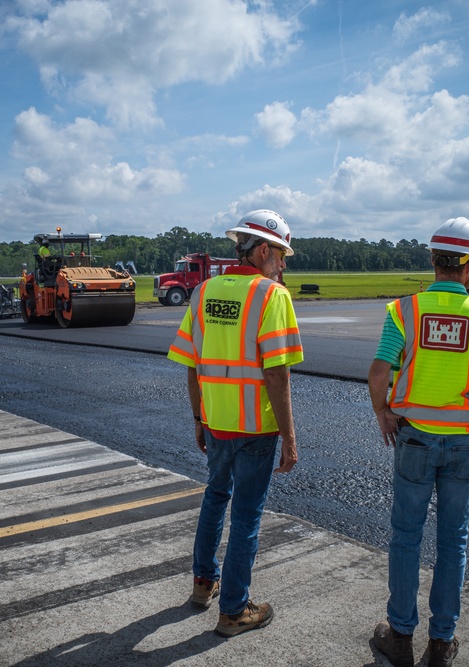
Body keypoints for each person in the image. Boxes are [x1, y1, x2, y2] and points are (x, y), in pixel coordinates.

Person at [368, 217, 469, 667]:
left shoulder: (405, 310)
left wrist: (383, 411)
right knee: (453, 540)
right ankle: (441, 642)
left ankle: (399, 636)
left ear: (434, 261)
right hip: (463, 444)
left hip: (412, 438)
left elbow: (380, 371)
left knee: (405, 537)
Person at [167, 209, 303, 638]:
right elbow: (277, 373)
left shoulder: (204, 291)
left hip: (217, 423)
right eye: (281, 254)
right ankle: (234, 610)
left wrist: (198, 418)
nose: (283, 264)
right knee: (246, 517)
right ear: (262, 249)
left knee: (214, 499)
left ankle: (203, 584)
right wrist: (290, 438)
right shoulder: (272, 296)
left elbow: (191, 365)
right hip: (257, 428)